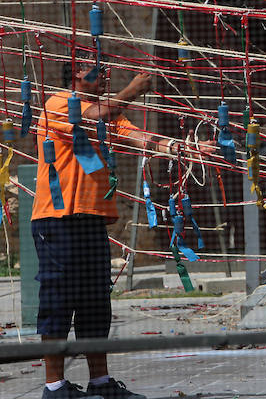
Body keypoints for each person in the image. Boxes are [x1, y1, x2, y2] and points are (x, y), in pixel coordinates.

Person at [32, 54, 211, 399]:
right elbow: (97, 115)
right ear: (75, 76)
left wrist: (187, 148)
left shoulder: (108, 114)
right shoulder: (59, 103)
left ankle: (100, 382)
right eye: (93, 68)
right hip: (57, 219)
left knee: (95, 301)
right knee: (57, 301)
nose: (103, 74)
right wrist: (133, 89)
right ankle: (54, 386)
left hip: (91, 219)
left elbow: (143, 138)